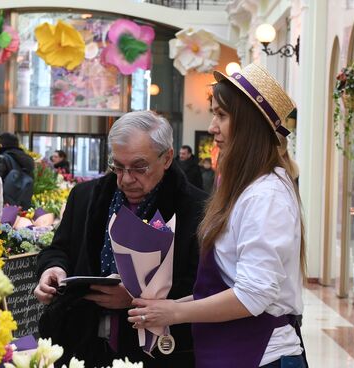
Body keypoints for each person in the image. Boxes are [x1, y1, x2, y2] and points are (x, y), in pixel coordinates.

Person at [127, 64, 307, 368]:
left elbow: (252, 295)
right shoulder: (247, 189)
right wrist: (166, 307)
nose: (212, 127)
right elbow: (224, 287)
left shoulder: (266, 196)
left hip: (264, 355)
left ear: (249, 124)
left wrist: (175, 312)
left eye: (221, 115)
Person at [34, 111, 207, 367]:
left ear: (167, 158)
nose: (126, 179)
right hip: (81, 343)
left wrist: (135, 299)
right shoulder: (85, 196)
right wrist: (53, 269)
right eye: (117, 167)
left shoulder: (196, 209)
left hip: (157, 351)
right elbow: (60, 249)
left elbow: (202, 285)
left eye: (139, 167)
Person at [0, 132, 35, 209]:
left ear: (1, 144)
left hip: (5, 204)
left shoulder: (2, 158)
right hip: (23, 203)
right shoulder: (27, 160)